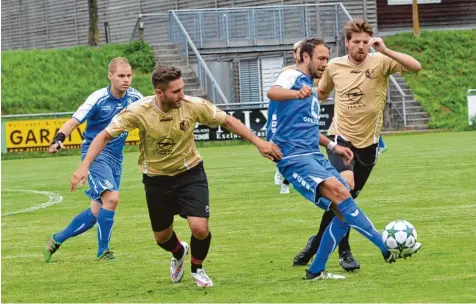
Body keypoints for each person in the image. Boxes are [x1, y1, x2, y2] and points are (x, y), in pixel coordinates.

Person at [69, 65, 282, 287]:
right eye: (176, 91)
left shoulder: (193, 105)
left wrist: (259, 143)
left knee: (199, 228)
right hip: (156, 179)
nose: (182, 94)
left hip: (190, 172)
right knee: (162, 238)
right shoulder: (138, 111)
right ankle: (179, 252)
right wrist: (85, 166)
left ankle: (197, 268)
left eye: (182, 89)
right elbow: (103, 135)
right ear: (159, 93)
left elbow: (227, 121)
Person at [267, 37, 421, 280]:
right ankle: (385, 246)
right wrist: (295, 94)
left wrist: (332, 145)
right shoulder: (292, 77)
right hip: (294, 157)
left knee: (343, 207)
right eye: (321, 58)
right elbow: (272, 92)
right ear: (305, 57)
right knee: (342, 195)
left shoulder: (309, 86)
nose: (325, 64)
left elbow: (306, 128)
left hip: (313, 154)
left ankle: (316, 271)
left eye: (327, 59)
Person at [43, 57, 143, 262]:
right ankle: (103, 251)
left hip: (116, 158)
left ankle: (56, 239)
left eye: (129, 75)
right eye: (121, 76)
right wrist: (58, 139)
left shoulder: (135, 97)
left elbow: (149, 116)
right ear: (110, 76)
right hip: (95, 155)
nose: (126, 80)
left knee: (96, 212)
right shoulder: (98, 98)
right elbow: (74, 121)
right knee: (112, 199)